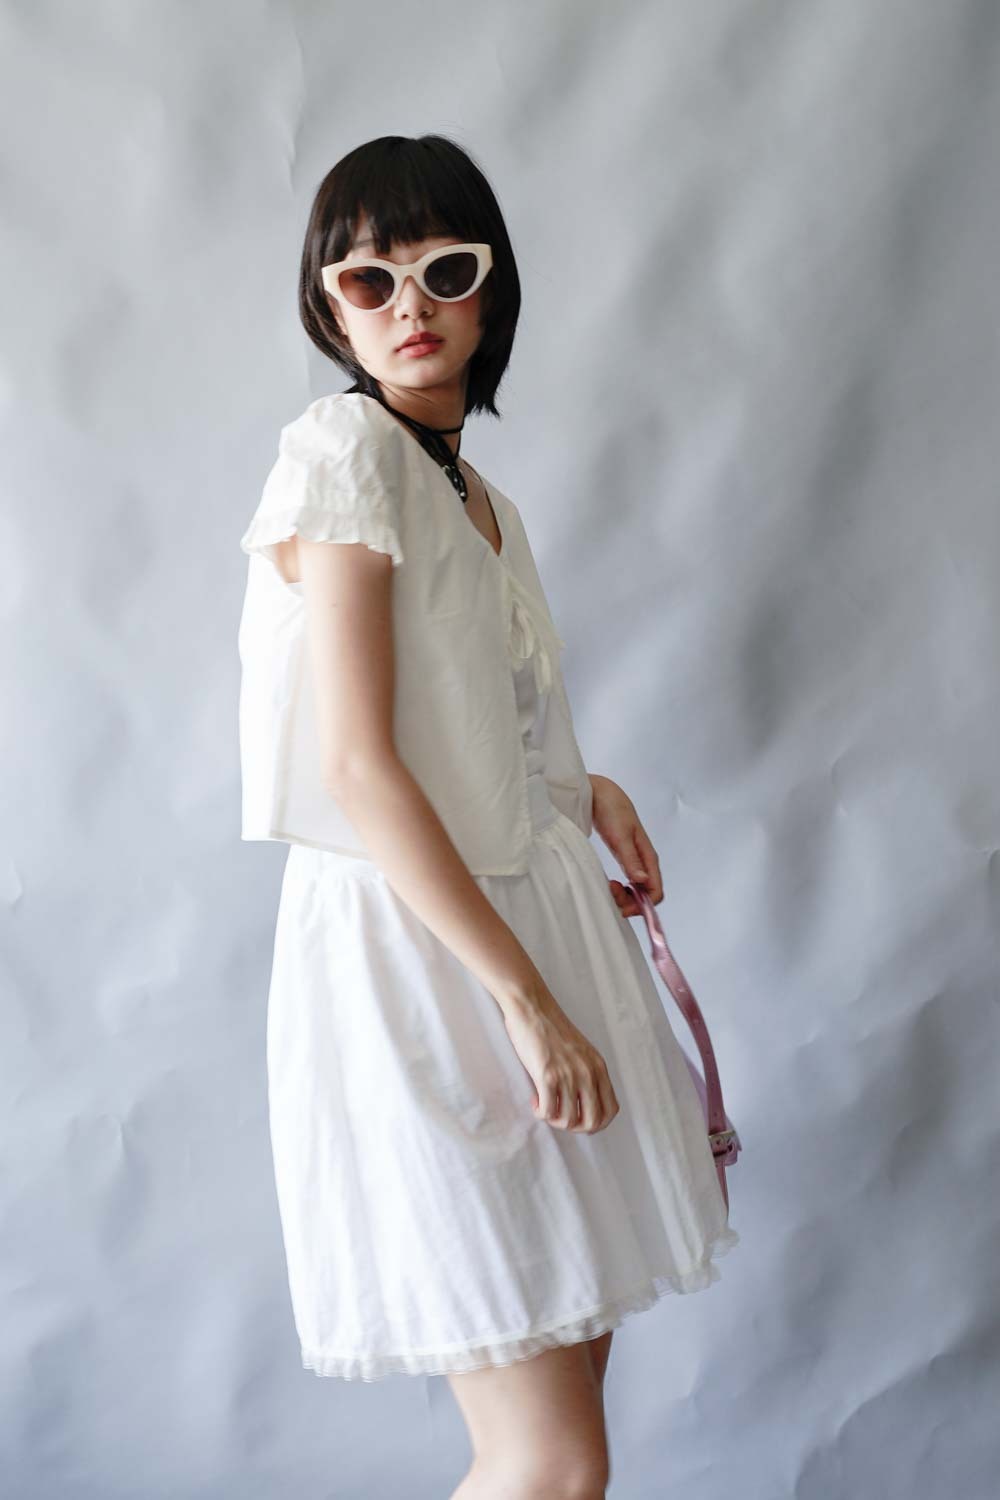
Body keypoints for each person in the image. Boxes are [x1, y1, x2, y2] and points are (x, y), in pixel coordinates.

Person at [236, 132, 738, 1500]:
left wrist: (582, 785)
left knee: (565, 1424)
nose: (409, 305)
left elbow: (459, 720)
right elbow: (356, 766)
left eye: (443, 271)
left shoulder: (482, 497)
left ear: (491, 288)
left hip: (522, 919)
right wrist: (528, 1004)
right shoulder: (345, 449)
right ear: (329, 308)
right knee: (551, 1462)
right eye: (369, 280)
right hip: (433, 960)